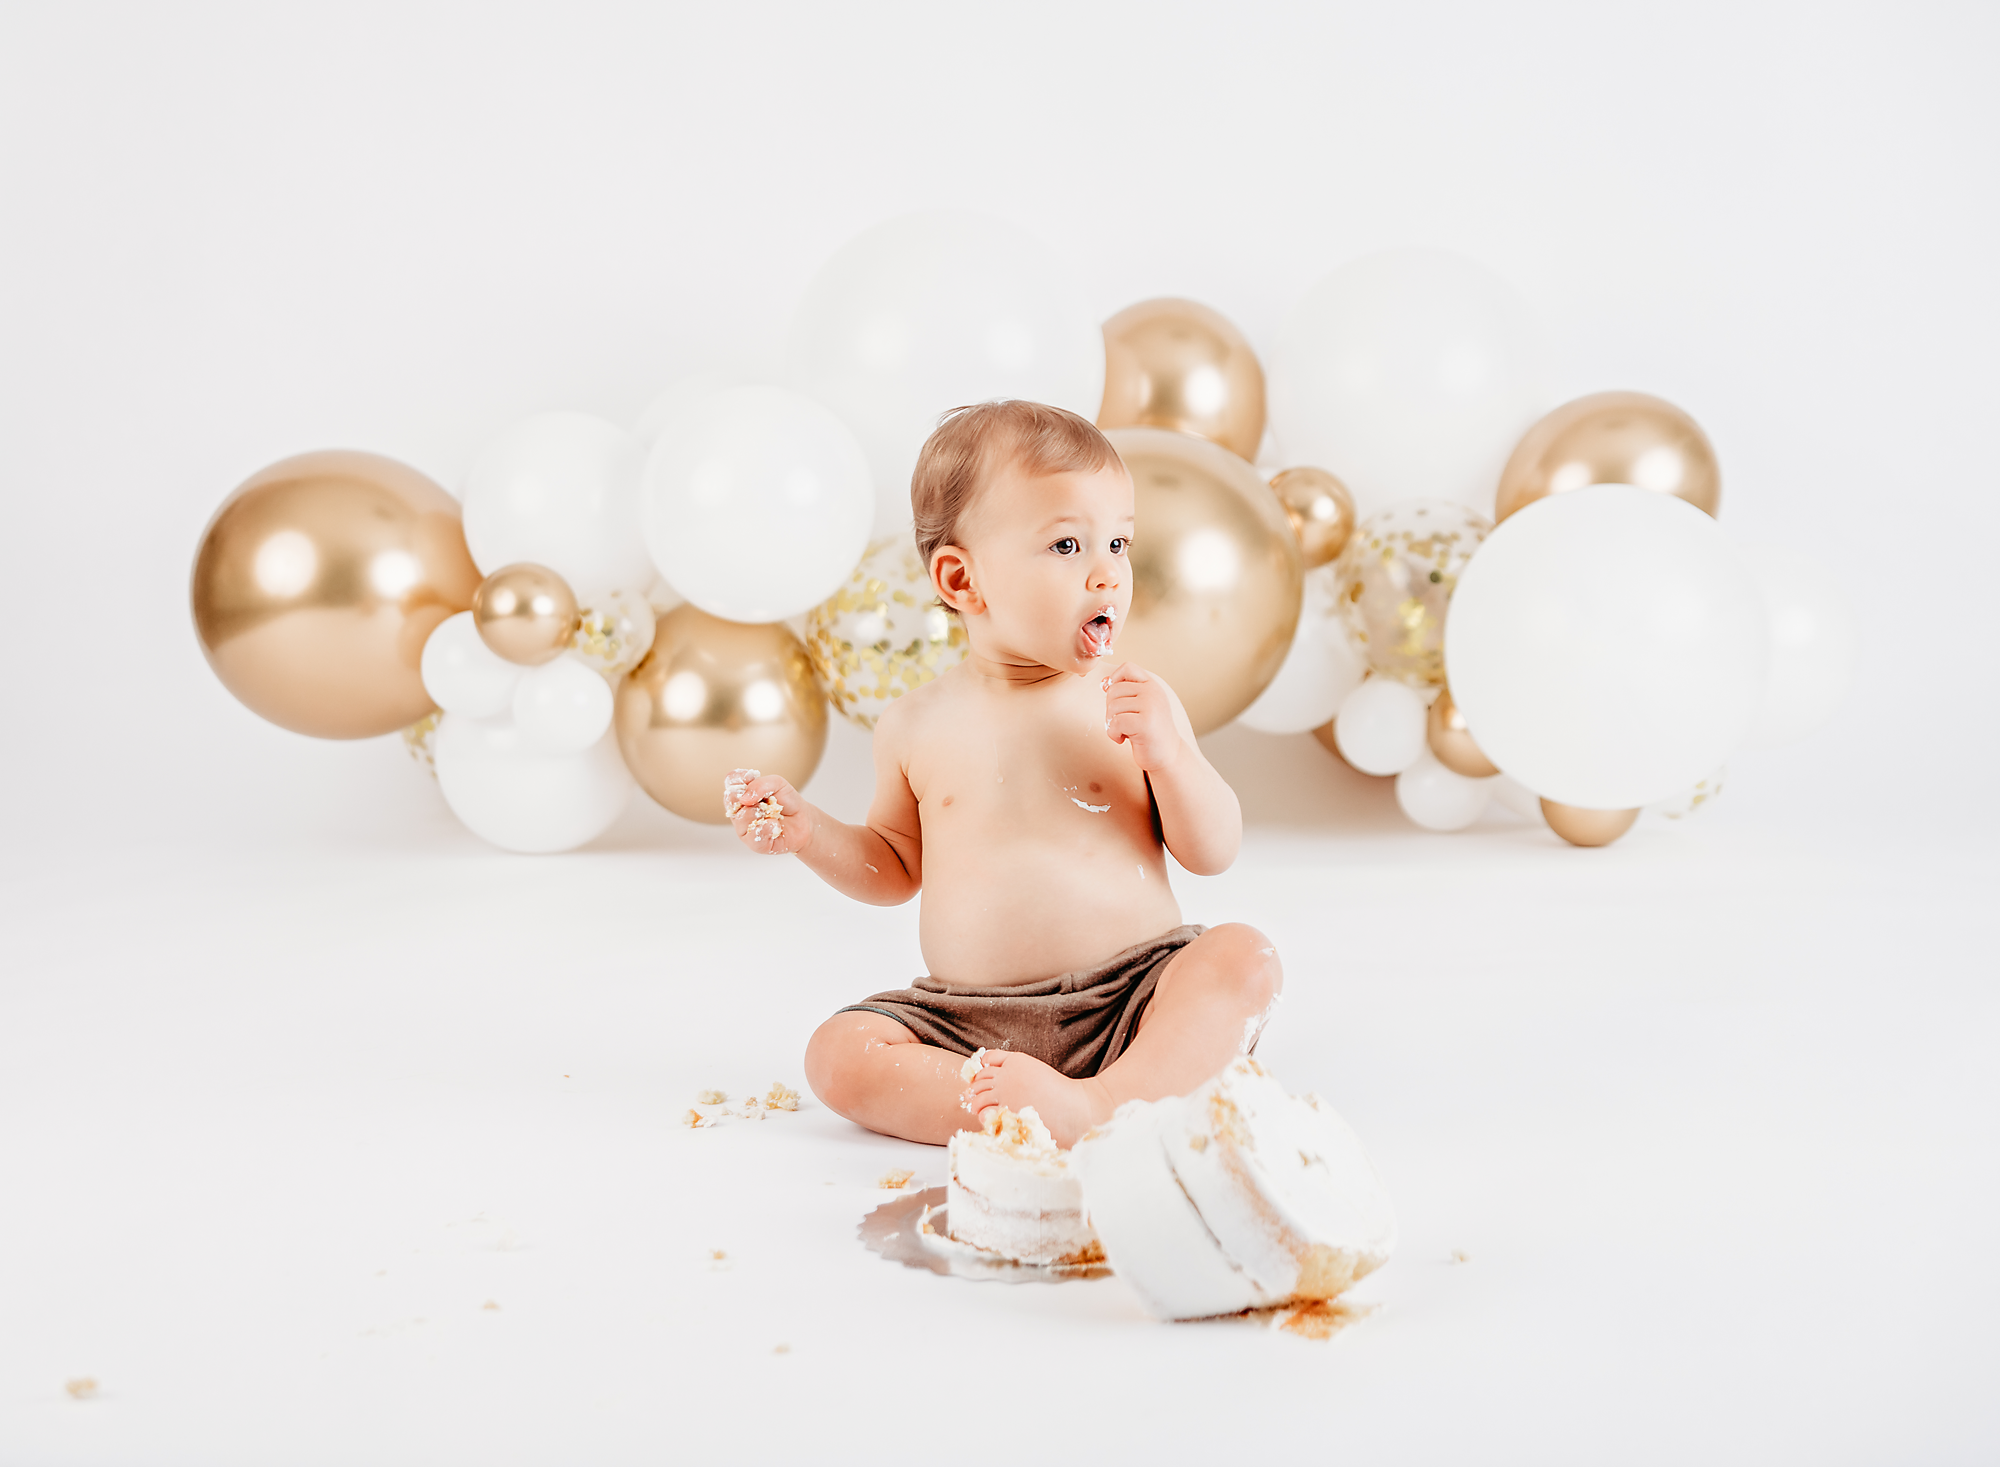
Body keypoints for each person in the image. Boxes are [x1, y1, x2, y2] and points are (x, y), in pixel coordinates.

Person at [725, 401, 1281, 1148]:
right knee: (837, 1055)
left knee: (1242, 958)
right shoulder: (914, 725)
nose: (1107, 572)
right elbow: (892, 866)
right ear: (963, 579)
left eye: (1118, 542)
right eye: (1066, 545)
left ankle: (1101, 1101)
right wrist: (808, 831)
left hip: (1134, 995)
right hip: (969, 1022)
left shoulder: (1134, 702)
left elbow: (1213, 849)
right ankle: (1017, 1101)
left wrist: (1172, 759)